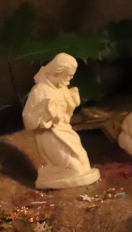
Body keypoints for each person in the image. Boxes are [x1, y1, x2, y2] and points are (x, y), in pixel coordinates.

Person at [22, 53, 100, 188]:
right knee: (74, 168)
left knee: (83, 161)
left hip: (64, 131)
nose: (69, 80)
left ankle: (57, 172)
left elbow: (65, 116)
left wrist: (71, 102)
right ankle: (49, 173)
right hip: (50, 134)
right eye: (67, 76)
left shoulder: (62, 88)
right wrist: (46, 113)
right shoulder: (40, 90)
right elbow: (28, 117)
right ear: (57, 72)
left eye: (71, 76)